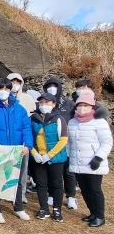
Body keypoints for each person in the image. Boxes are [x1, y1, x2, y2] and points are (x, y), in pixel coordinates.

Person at [0, 78, 32, 223]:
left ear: (10, 90)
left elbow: (26, 127)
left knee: (18, 179)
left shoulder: (19, 108)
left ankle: (18, 207)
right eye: (0, 89)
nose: (4, 92)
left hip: (17, 149)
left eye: (7, 89)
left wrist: (27, 145)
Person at [67, 94, 113, 227]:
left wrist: (98, 157)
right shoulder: (72, 122)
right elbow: (69, 142)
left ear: (92, 107)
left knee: (95, 189)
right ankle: (92, 212)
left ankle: (100, 215)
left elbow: (107, 141)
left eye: (85, 106)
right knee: (84, 188)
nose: (82, 108)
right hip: (78, 161)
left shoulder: (99, 121)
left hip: (93, 161)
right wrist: (69, 156)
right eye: (79, 106)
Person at [30, 93, 68, 222]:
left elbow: (63, 139)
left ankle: (57, 209)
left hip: (55, 157)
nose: (43, 105)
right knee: (41, 183)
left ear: (54, 104)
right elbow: (29, 138)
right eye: (41, 103)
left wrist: (50, 155)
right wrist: (34, 153)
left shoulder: (58, 119)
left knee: (56, 183)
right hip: (39, 157)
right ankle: (44, 208)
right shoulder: (34, 119)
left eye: (47, 103)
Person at [43, 77, 77, 209]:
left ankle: (71, 196)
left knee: (68, 172)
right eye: (49, 86)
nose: (52, 88)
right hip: (50, 143)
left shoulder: (68, 104)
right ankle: (51, 194)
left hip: (66, 143)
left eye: (54, 85)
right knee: (52, 171)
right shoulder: (44, 103)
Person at [6, 73, 35, 204]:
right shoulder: (3, 98)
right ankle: (7, 192)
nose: (15, 84)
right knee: (7, 168)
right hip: (7, 141)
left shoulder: (28, 99)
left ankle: (21, 193)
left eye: (18, 82)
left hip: (21, 141)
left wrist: (27, 143)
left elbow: (28, 122)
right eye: (12, 81)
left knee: (23, 169)